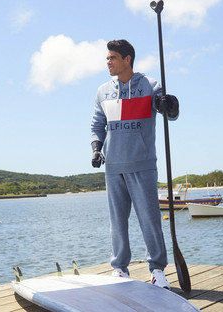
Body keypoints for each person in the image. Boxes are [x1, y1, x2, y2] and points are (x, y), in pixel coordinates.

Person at [90, 39, 179, 289]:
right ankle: (119, 268)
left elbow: (169, 113)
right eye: (107, 58)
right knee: (117, 221)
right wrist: (97, 148)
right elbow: (97, 125)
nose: (107, 62)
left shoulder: (151, 86)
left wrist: (170, 105)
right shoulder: (102, 91)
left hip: (142, 165)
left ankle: (157, 271)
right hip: (113, 167)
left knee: (150, 219)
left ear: (127, 59)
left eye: (112, 57)